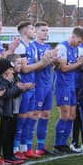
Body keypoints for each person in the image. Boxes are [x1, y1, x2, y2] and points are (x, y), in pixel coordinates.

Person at [13, 21, 50, 159]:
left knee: (29, 120)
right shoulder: (20, 47)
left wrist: (48, 60)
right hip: (23, 88)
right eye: (32, 29)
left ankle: (26, 148)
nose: (34, 31)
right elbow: (24, 68)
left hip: (32, 86)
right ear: (25, 31)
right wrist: (42, 62)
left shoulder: (32, 47)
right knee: (21, 120)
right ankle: (16, 149)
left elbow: (36, 67)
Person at [53, 26, 83, 153]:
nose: (79, 44)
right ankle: (58, 144)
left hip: (71, 85)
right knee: (64, 114)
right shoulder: (62, 47)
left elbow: (81, 65)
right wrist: (80, 63)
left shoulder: (77, 49)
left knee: (72, 115)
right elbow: (63, 68)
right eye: (79, 41)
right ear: (73, 36)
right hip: (62, 85)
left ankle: (66, 144)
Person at [32, 21, 57, 155]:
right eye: (43, 30)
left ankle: (41, 146)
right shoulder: (33, 46)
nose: (45, 33)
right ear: (35, 31)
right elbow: (36, 66)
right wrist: (46, 59)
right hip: (37, 85)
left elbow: (50, 65)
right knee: (34, 115)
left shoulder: (47, 46)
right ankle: (28, 147)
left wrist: (54, 61)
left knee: (46, 115)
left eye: (47, 30)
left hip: (48, 85)